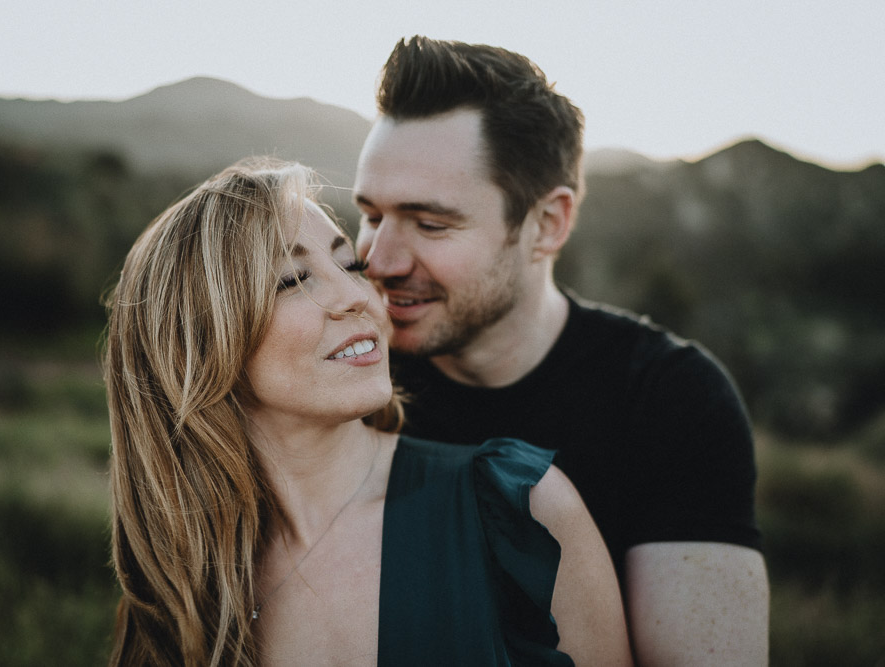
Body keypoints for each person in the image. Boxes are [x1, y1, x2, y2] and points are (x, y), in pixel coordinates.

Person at [103, 158, 632, 666]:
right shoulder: (178, 585)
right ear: (197, 348)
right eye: (292, 280)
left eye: (349, 263)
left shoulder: (519, 510)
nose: (357, 294)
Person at [352, 36, 770, 666]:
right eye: (371, 215)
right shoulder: (344, 380)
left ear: (548, 224)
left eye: (430, 224)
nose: (378, 260)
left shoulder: (671, 400)